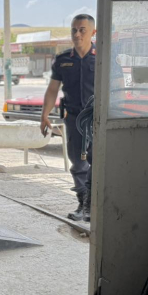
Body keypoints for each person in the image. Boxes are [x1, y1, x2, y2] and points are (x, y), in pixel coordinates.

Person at [41, 14, 96, 222]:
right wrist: (44, 115)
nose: (77, 34)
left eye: (82, 30)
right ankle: (83, 202)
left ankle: (92, 204)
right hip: (73, 118)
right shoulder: (63, 59)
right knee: (78, 162)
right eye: (74, 30)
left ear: (93, 32)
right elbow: (53, 89)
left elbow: (115, 88)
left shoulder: (103, 57)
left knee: (97, 160)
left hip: (97, 119)